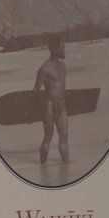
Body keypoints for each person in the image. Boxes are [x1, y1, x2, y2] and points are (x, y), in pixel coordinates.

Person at [34, 34, 69, 164]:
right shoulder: (44, 69)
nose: (64, 50)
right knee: (48, 137)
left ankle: (66, 168)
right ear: (54, 49)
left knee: (64, 137)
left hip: (62, 106)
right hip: (49, 106)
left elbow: (61, 88)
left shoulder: (63, 66)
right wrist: (31, 113)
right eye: (62, 47)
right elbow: (36, 91)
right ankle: (42, 166)